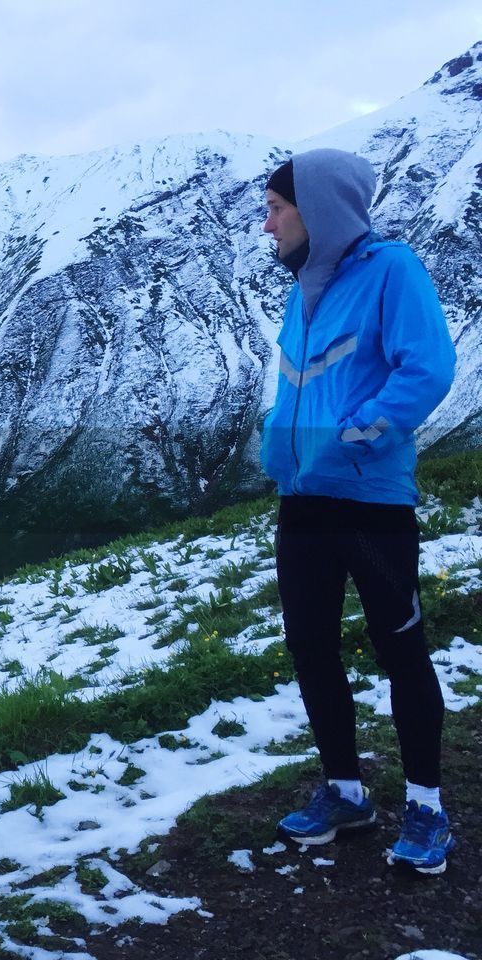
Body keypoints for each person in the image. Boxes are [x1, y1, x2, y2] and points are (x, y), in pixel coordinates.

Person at [258, 148, 457, 874]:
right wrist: (277, 447)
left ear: (318, 207)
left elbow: (428, 367)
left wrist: (356, 435)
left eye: (277, 208)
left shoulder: (390, 270)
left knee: (399, 649)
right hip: (303, 500)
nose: (268, 223)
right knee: (311, 647)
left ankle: (427, 807)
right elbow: (299, 385)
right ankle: (346, 793)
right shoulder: (301, 291)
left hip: (370, 499)